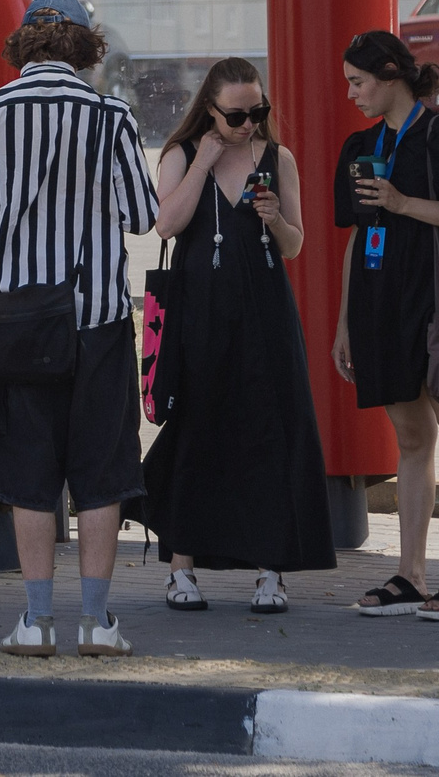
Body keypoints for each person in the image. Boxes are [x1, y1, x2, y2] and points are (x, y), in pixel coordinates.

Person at [0, 0, 158, 659]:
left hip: (21, 324)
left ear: (24, 45)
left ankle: (36, 622)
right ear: (85, 46)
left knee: (30, 474)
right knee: (100, 472)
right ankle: (95, 622)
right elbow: (142, 215)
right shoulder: (111, 115)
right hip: (97, 323)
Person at [142, 56, 334, 614]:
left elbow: (295, 245)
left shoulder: (277, 158)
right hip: (198, 312)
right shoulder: (181, 154)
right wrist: (203, 162)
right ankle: (181, 569)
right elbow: (165, 224)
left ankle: (271, 570)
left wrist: (274, 218)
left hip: (264, 310)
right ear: (209, 109)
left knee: (271, 429)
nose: (248, 124)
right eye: (235, 115)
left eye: (257, 112)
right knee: (194, 429)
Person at [332, 30, 439, 622]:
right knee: (411, 440)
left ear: (391, 74)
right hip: (381, 304)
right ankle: (411, 574)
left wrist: (403, 204)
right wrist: (345, 321)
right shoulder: (360, 145)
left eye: (358, 82)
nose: (352, 94)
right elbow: (357, 235)